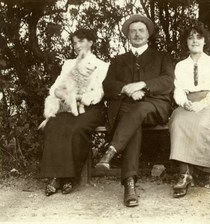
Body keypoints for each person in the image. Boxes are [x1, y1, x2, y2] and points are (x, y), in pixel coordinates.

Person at [95, 14, 174, 207]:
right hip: (127, 108)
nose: (137, 34)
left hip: (155, 106)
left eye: (141, 30)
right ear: (127, 36)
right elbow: (107, 85)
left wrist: (142, 85)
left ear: (148, 34)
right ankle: (129, 184)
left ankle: (111, 152)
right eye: (133, 31)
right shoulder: (118, 60)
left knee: (138, 110)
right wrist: (126, 89)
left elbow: (168, 82)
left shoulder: (162, 57)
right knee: (132, 124)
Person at [40, 29, 109, 196]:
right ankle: (56, 176)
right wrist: (59, 93)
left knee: (76, 129)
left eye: (81, 41)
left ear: (91, 42)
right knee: (54, 125)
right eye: (74, 43)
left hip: (91, 108)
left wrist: (79, 97)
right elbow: (56, 87)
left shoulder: (102, 65)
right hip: (67, 105)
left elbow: (99, 93)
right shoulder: (69, 64)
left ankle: (70, 177)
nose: (77, 46)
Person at [169, 23, 210, 198]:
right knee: (178, 120)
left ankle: (200, 170)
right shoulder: (181, 65)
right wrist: (184, 102)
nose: (194, 40)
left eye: (198, 37)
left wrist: (201, 105)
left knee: (199, 122)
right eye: (190, 37)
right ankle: (185, 174)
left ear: (205, 41)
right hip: (188, 102)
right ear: (186, 41)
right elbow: (178, 89)